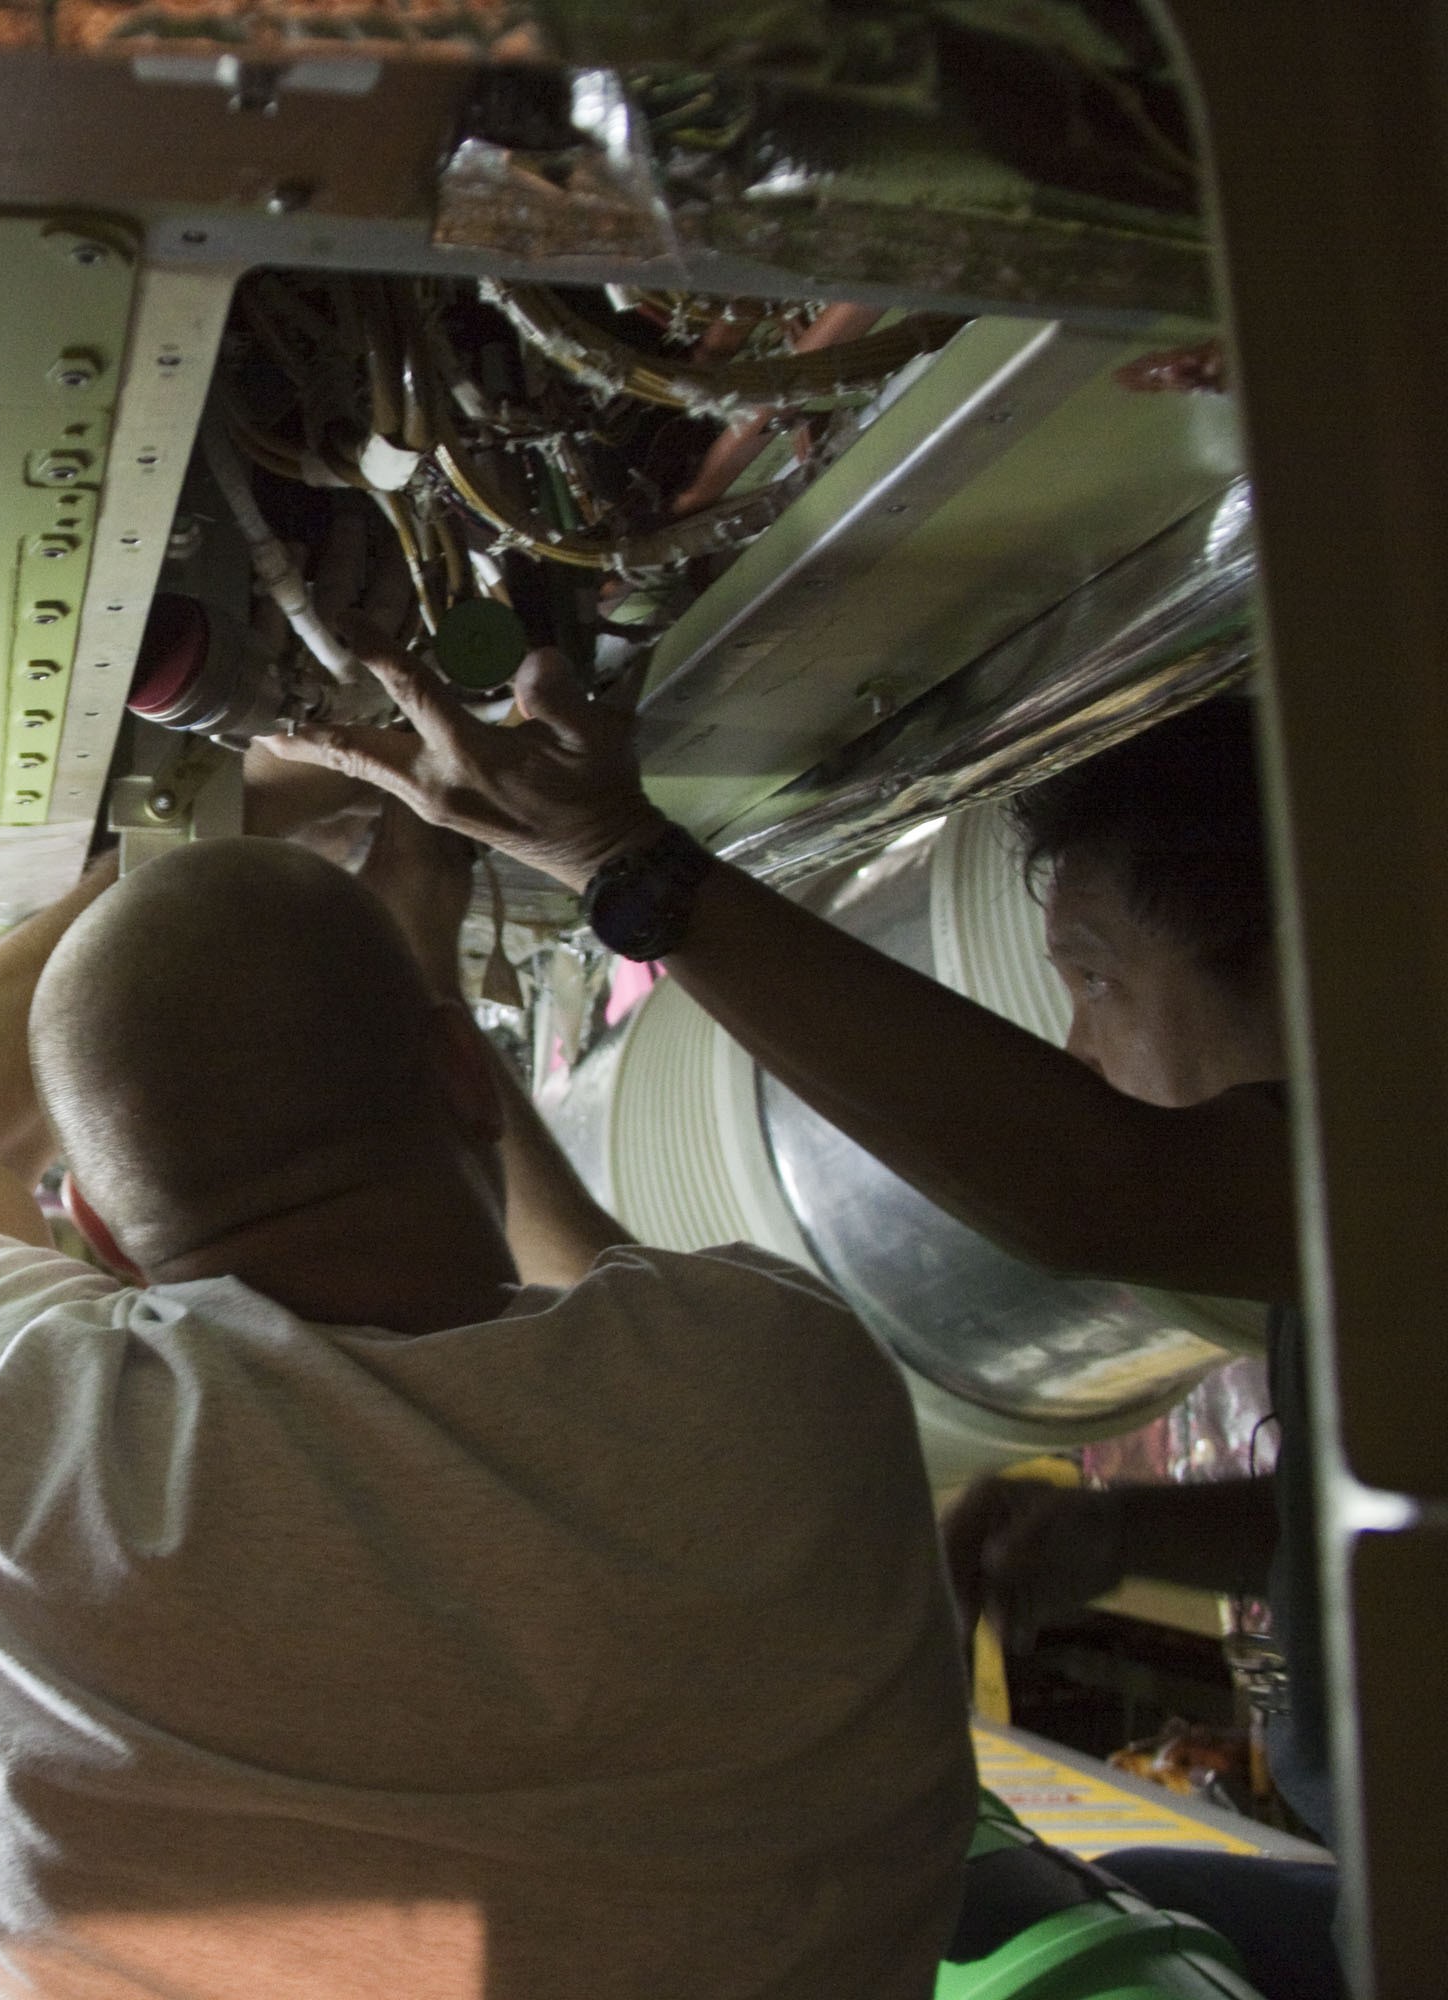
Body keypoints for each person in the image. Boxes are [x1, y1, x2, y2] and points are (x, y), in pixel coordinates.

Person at [268, 656, 1337, 1996]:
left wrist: (620, 856)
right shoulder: (1342, 1249)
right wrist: (1132, 1532)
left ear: (1304, 951)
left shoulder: (1386, 1161)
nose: (1075, 1048)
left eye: (1098, 977)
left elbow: (1095, 1188)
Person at [0, 839, 974, 1999]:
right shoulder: (786, 1373)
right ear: (465, 1075)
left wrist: (217, 837)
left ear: (97, 1235)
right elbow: (613, 1313)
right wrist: (311, 871)